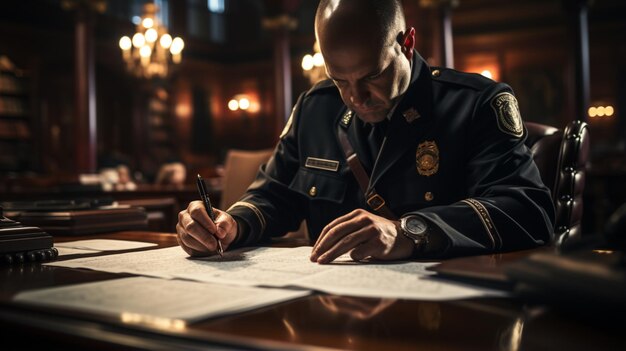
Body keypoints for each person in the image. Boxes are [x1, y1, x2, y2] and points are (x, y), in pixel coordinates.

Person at [176, 0, 555, 264]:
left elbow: (528, 210)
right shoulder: (316, 107)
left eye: (372, 75)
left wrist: (409, 232)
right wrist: (229, 225)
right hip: (329, 306)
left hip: (446, 311)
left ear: (407, 43)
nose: (355, 97)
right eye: (338, 79)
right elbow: (274, 195)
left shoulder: (476, 103)